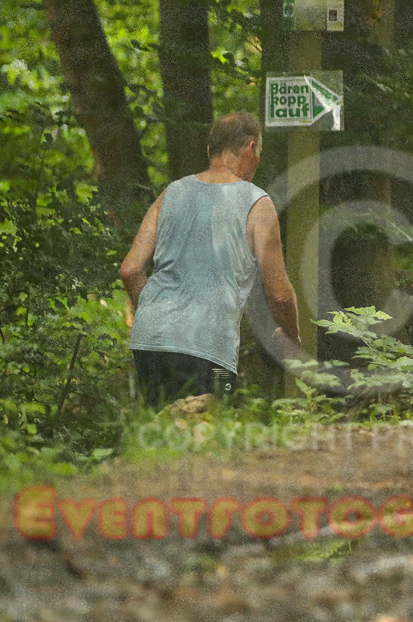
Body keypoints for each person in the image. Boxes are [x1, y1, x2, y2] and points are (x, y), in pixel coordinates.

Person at [120, 112, 301, 406]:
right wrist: (292, 337)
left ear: (209, 151)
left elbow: (130, 270)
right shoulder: (257, 203)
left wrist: (155, 314)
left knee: (163, 437)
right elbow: (279, 295)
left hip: (150, 342)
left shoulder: (171, 193)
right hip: (208, 348)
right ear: (250, 149)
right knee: (208, 439)